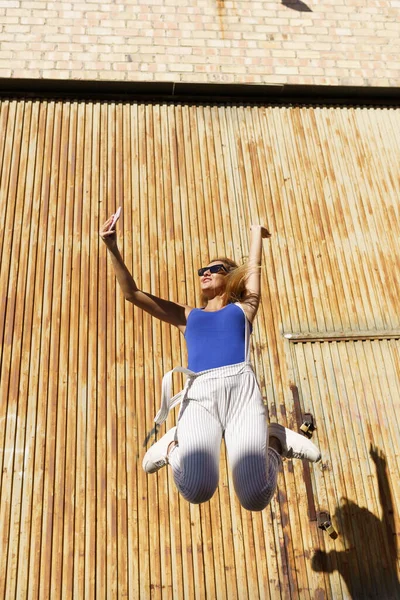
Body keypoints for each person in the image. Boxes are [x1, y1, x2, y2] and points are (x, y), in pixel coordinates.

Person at [100, 210, 321, 511]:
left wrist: (257, 233)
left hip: (241, 392)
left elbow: (254, 269)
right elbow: (132, 294)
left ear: (229, 277)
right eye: (202, 269)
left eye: (214, 268)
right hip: (201, 394)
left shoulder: (245, 308)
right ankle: (173, 444)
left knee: (254, 497)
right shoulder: (188, 316)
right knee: (197, 489)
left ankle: (274, 442)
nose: (205, 272)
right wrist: (111, 246)